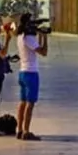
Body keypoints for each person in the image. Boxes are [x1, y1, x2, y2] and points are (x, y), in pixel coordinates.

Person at [15, 13, 48, 141]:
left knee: (22, 102)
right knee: (30, 104)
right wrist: (44, 37)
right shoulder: (28, 38)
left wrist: (39, 35)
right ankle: (26, 131)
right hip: (31, 73)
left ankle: (19, 129)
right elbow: (43, 52)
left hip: (22, 72)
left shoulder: (20, 36)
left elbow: (35, 48)